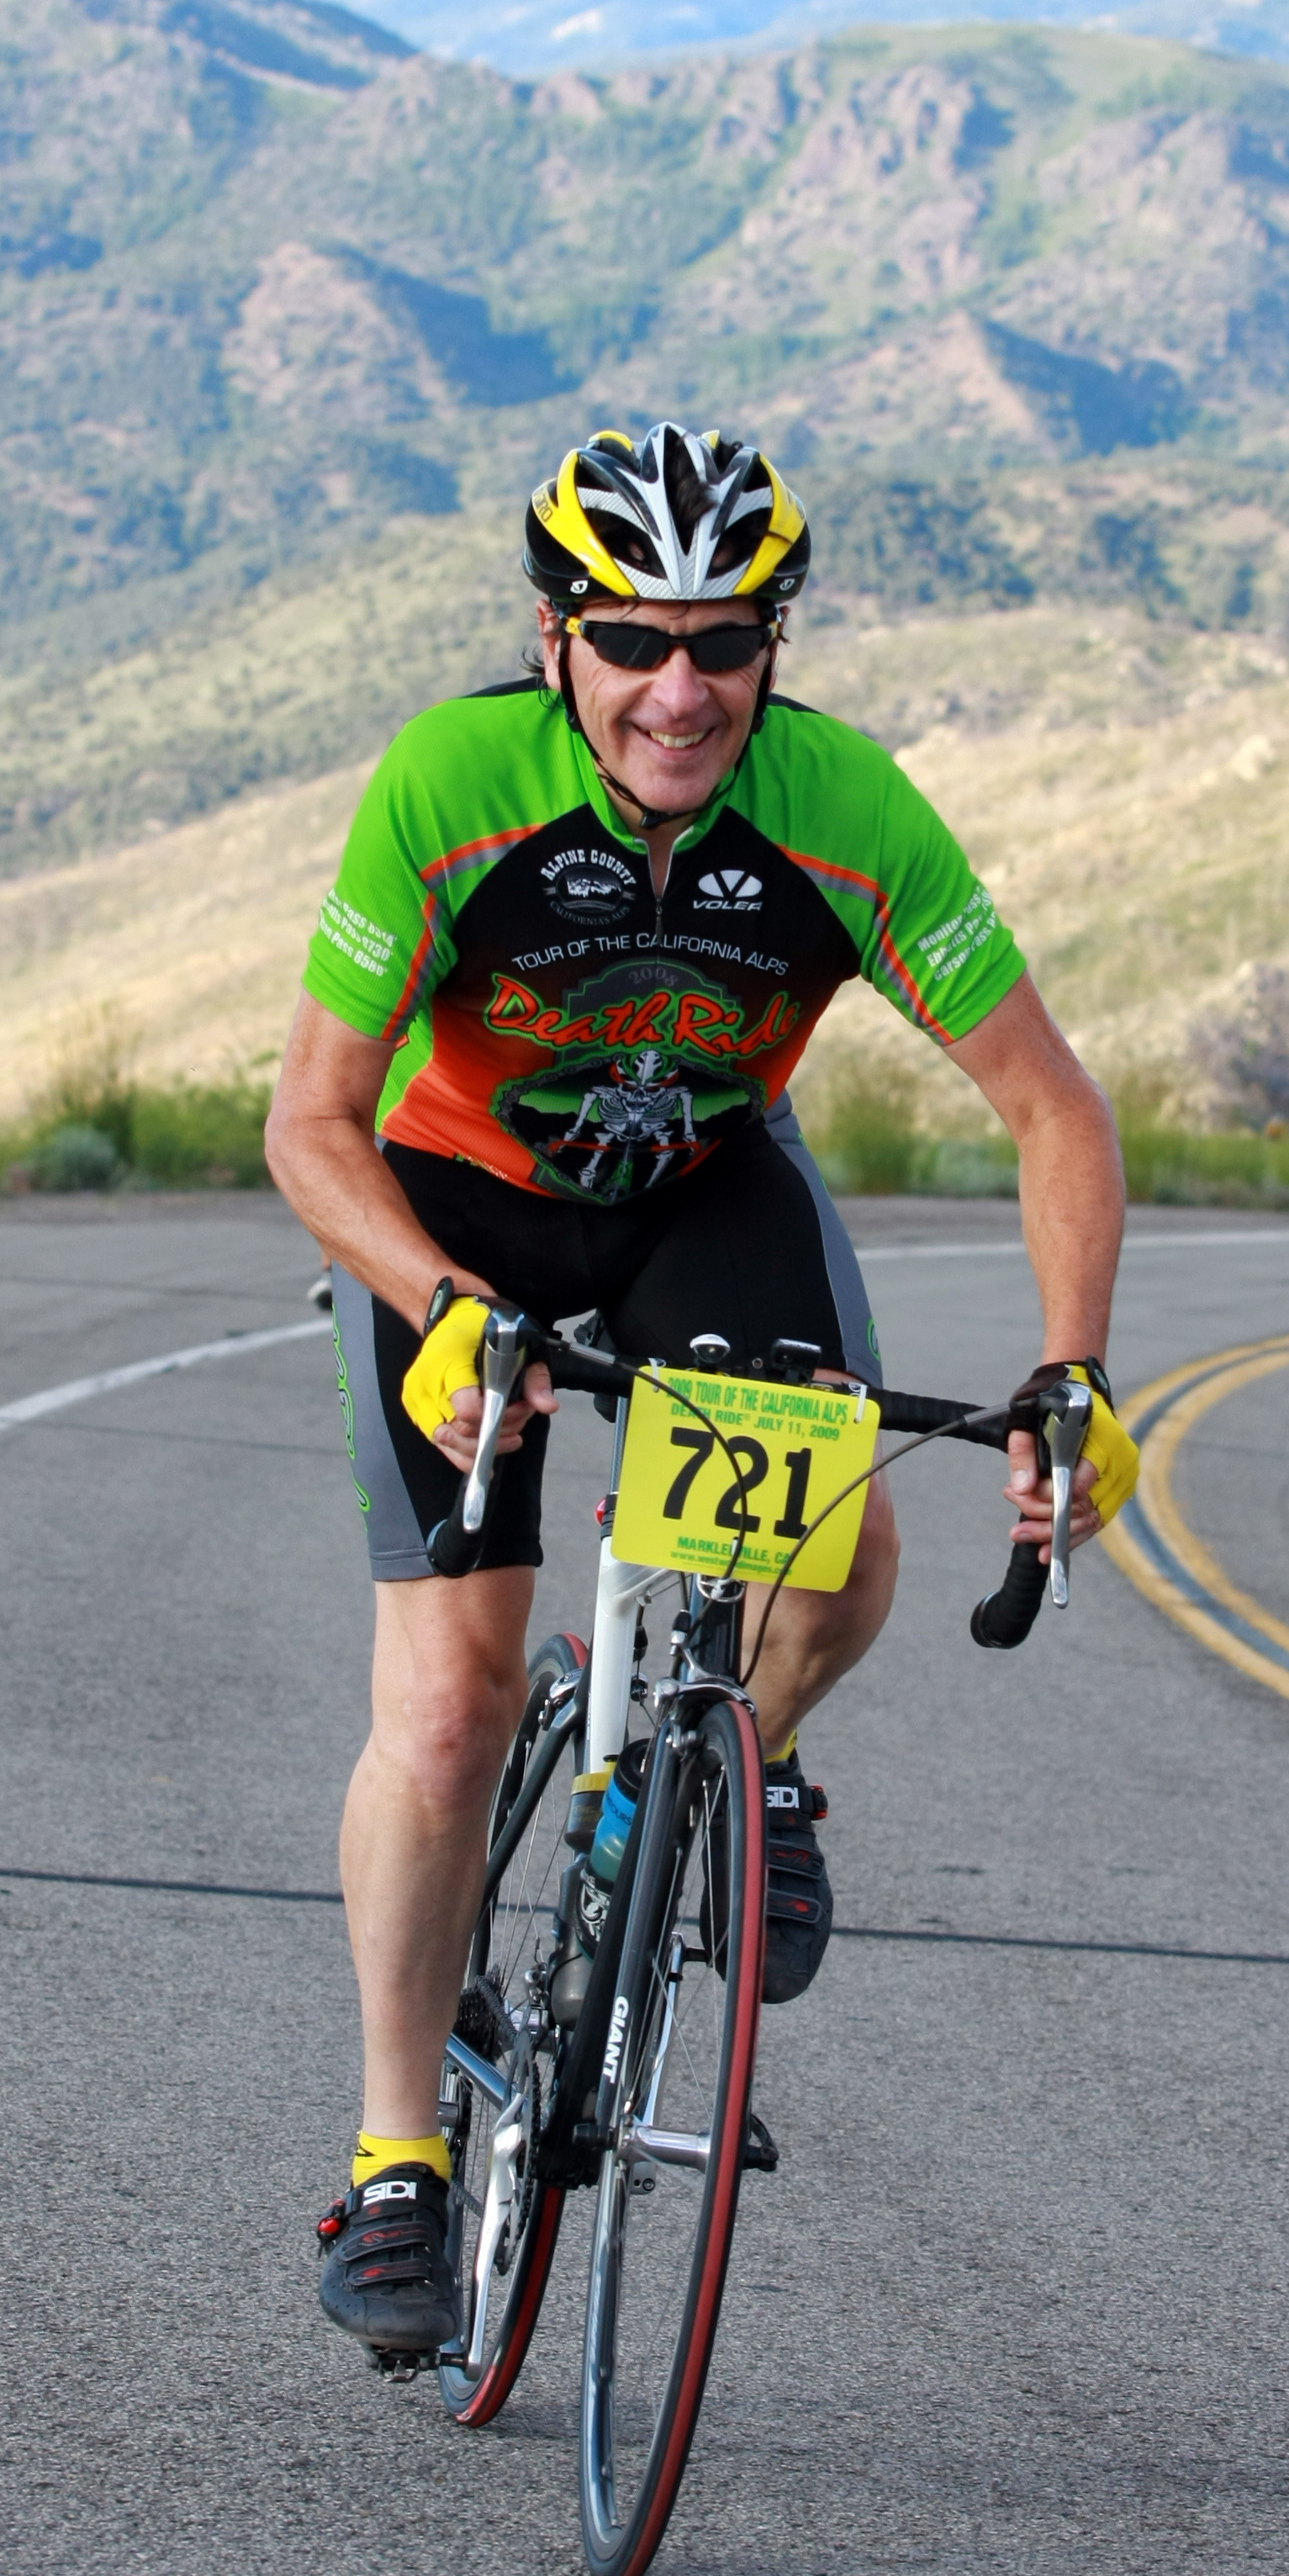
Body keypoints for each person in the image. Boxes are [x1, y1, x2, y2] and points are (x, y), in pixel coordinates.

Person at [264, 421, 1137, 2356]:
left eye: (725, 642)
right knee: (451, 1706)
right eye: (635, 640)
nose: (682, 688)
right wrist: (439, 1304)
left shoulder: (844, 809)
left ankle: (745, 1758)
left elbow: (1048, 1104)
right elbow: (308, 1124)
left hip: (696, 1195)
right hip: (453, 1213)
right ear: (556, 641)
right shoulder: (452, 784)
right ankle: (397, 2156)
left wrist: (1072, 1366)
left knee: (839, 1566)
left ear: (771, 648)